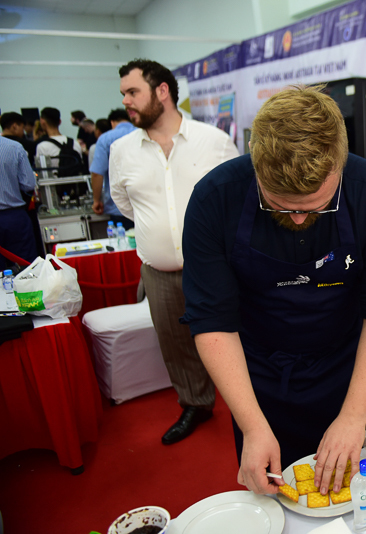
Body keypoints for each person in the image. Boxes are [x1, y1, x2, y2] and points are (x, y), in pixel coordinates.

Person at [181, 85, 366, 497]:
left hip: (348, 370)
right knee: (277, 503)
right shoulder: (214, 200)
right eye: (281, 206)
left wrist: (354, 415)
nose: (301, 219)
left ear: (339, 167)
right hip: (258, 379)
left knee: (361, 498)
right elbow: (213, 321)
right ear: (255, 166)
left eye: (317, 206)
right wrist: (251, 425)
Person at [109, 59, 239, 444]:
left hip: (216, 267)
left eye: (133, 92)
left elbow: (238, 199)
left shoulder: (212, 141)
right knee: (176, 344)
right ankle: (195, 404)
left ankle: (251, 400)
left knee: (236, 333)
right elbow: (125, 203)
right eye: (123, 95)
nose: (126, 102)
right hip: (160, 272)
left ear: (162, 91)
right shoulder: (122, 151)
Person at [91, 109, 135, 229]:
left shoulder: (105, 139)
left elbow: (97, 173)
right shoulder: (144, 133)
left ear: (112, 122)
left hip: (118, 207)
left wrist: (96, 200)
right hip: (145, 205)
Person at [0, 136, 37, 269]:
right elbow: (28, 184)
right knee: (26, 270)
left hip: (13, 217)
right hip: (13, 217)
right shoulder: (14, 147)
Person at [35, 107, 82, 175]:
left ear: (42, 121)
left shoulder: (42, 146)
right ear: (60, 122)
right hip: (75, 184)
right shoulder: (75, 143)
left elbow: (43, 174)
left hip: (55, 184)